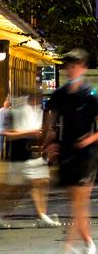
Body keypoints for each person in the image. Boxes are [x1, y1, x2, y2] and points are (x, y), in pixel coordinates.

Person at [43, 49, 98, 254]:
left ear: (83, 68)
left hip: (86, 156)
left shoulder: (90, 94)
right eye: (69, 66)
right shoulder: (60, 94)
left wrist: (91, 139)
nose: (72, 70)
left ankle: (68, 248)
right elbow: (49, 119)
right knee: (77, 205)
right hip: (66, 153)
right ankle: (89, 244)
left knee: (79, 204)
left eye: (76, 66)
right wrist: (49, 141)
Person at [0, 93, 59, 228]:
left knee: (42, 182)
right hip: (20, 155)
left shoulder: (37, 112)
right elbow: (7, 134)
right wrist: (29, 133)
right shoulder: (17, 112)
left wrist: (46, 141)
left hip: (34, 155)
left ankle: (43, 216)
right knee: (17, 189)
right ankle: (2, 213)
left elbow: (41, 132)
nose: (38, 100)